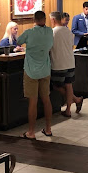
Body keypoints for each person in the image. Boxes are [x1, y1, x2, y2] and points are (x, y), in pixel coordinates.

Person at [18, 11, 54, 139]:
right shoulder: (49, 31)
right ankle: (48, 129)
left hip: (31, 71)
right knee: (46, 99)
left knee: (33, 102)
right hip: (45, 70)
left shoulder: (29, 32)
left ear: (34, 19)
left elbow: (18, 41)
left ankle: (31, 132)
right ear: (44, 19)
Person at [49, 11, 83, 117]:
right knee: (68, 85)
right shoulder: (68, 31)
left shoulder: (52, 32)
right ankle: (69, 109)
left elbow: (48, 48)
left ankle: (76, 100)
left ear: (53, 19)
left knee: (55, 85)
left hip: (58, 63)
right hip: (70, 62)